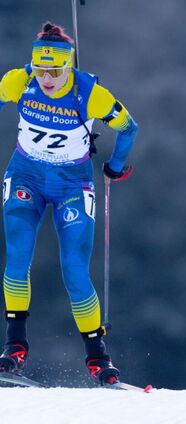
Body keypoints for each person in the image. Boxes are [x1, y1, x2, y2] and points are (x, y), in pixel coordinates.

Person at [0, 23, 137, 385]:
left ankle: (98, 357)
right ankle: (14, 346)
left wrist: (115, 167)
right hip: (25, 176)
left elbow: (129, 127)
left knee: (75, 271)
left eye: (56, 71)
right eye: (40, 69)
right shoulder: (18, 81)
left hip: (72, 185)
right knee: (17, 257)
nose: (47, 79)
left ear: (68, 66)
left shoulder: (90, 93)